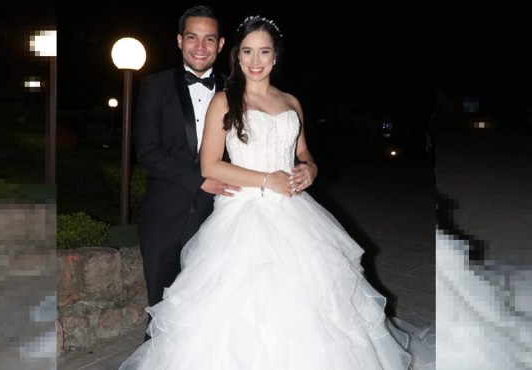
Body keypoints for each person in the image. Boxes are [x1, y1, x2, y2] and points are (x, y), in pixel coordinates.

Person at [121, 15, 435, 369]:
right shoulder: (224, 101)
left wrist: (311, 168)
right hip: (243, 213)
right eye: (248, 52)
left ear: (275, 57)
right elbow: (210, 166)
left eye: (264, 52)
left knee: (313, 303)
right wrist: (266, 179)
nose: (256, 61)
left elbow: (302, 151)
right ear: (236, 57)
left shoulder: (291, 102)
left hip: (295, 213)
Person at [133, 4, 240, 339]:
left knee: (211, 307)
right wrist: (201, 179)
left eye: (209, 39)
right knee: (161, 307)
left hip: (219, 216)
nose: (200, 46)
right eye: (192, 37)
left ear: (221, 45)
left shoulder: (237, 92)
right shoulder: (155, 86)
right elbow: (147, 151)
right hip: (164, 213)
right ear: (179, 40)